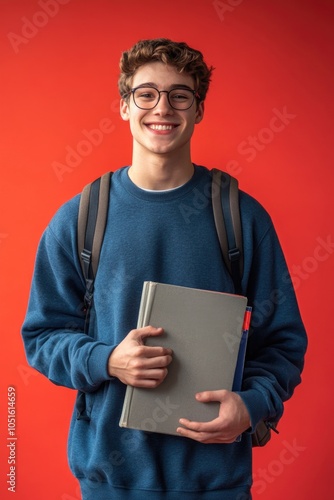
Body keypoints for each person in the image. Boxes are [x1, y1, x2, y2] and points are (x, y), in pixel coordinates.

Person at [21, 38, 307, 499]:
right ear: (123, 105)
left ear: (199, 110)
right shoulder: (80, 219)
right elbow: (42, 336)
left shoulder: (241, 217)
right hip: (109, 482)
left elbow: (284, 342)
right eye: (146, 93)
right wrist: (107, 360)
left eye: (180, 95)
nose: (163, 108)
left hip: (216, 483)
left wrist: (252, 406)